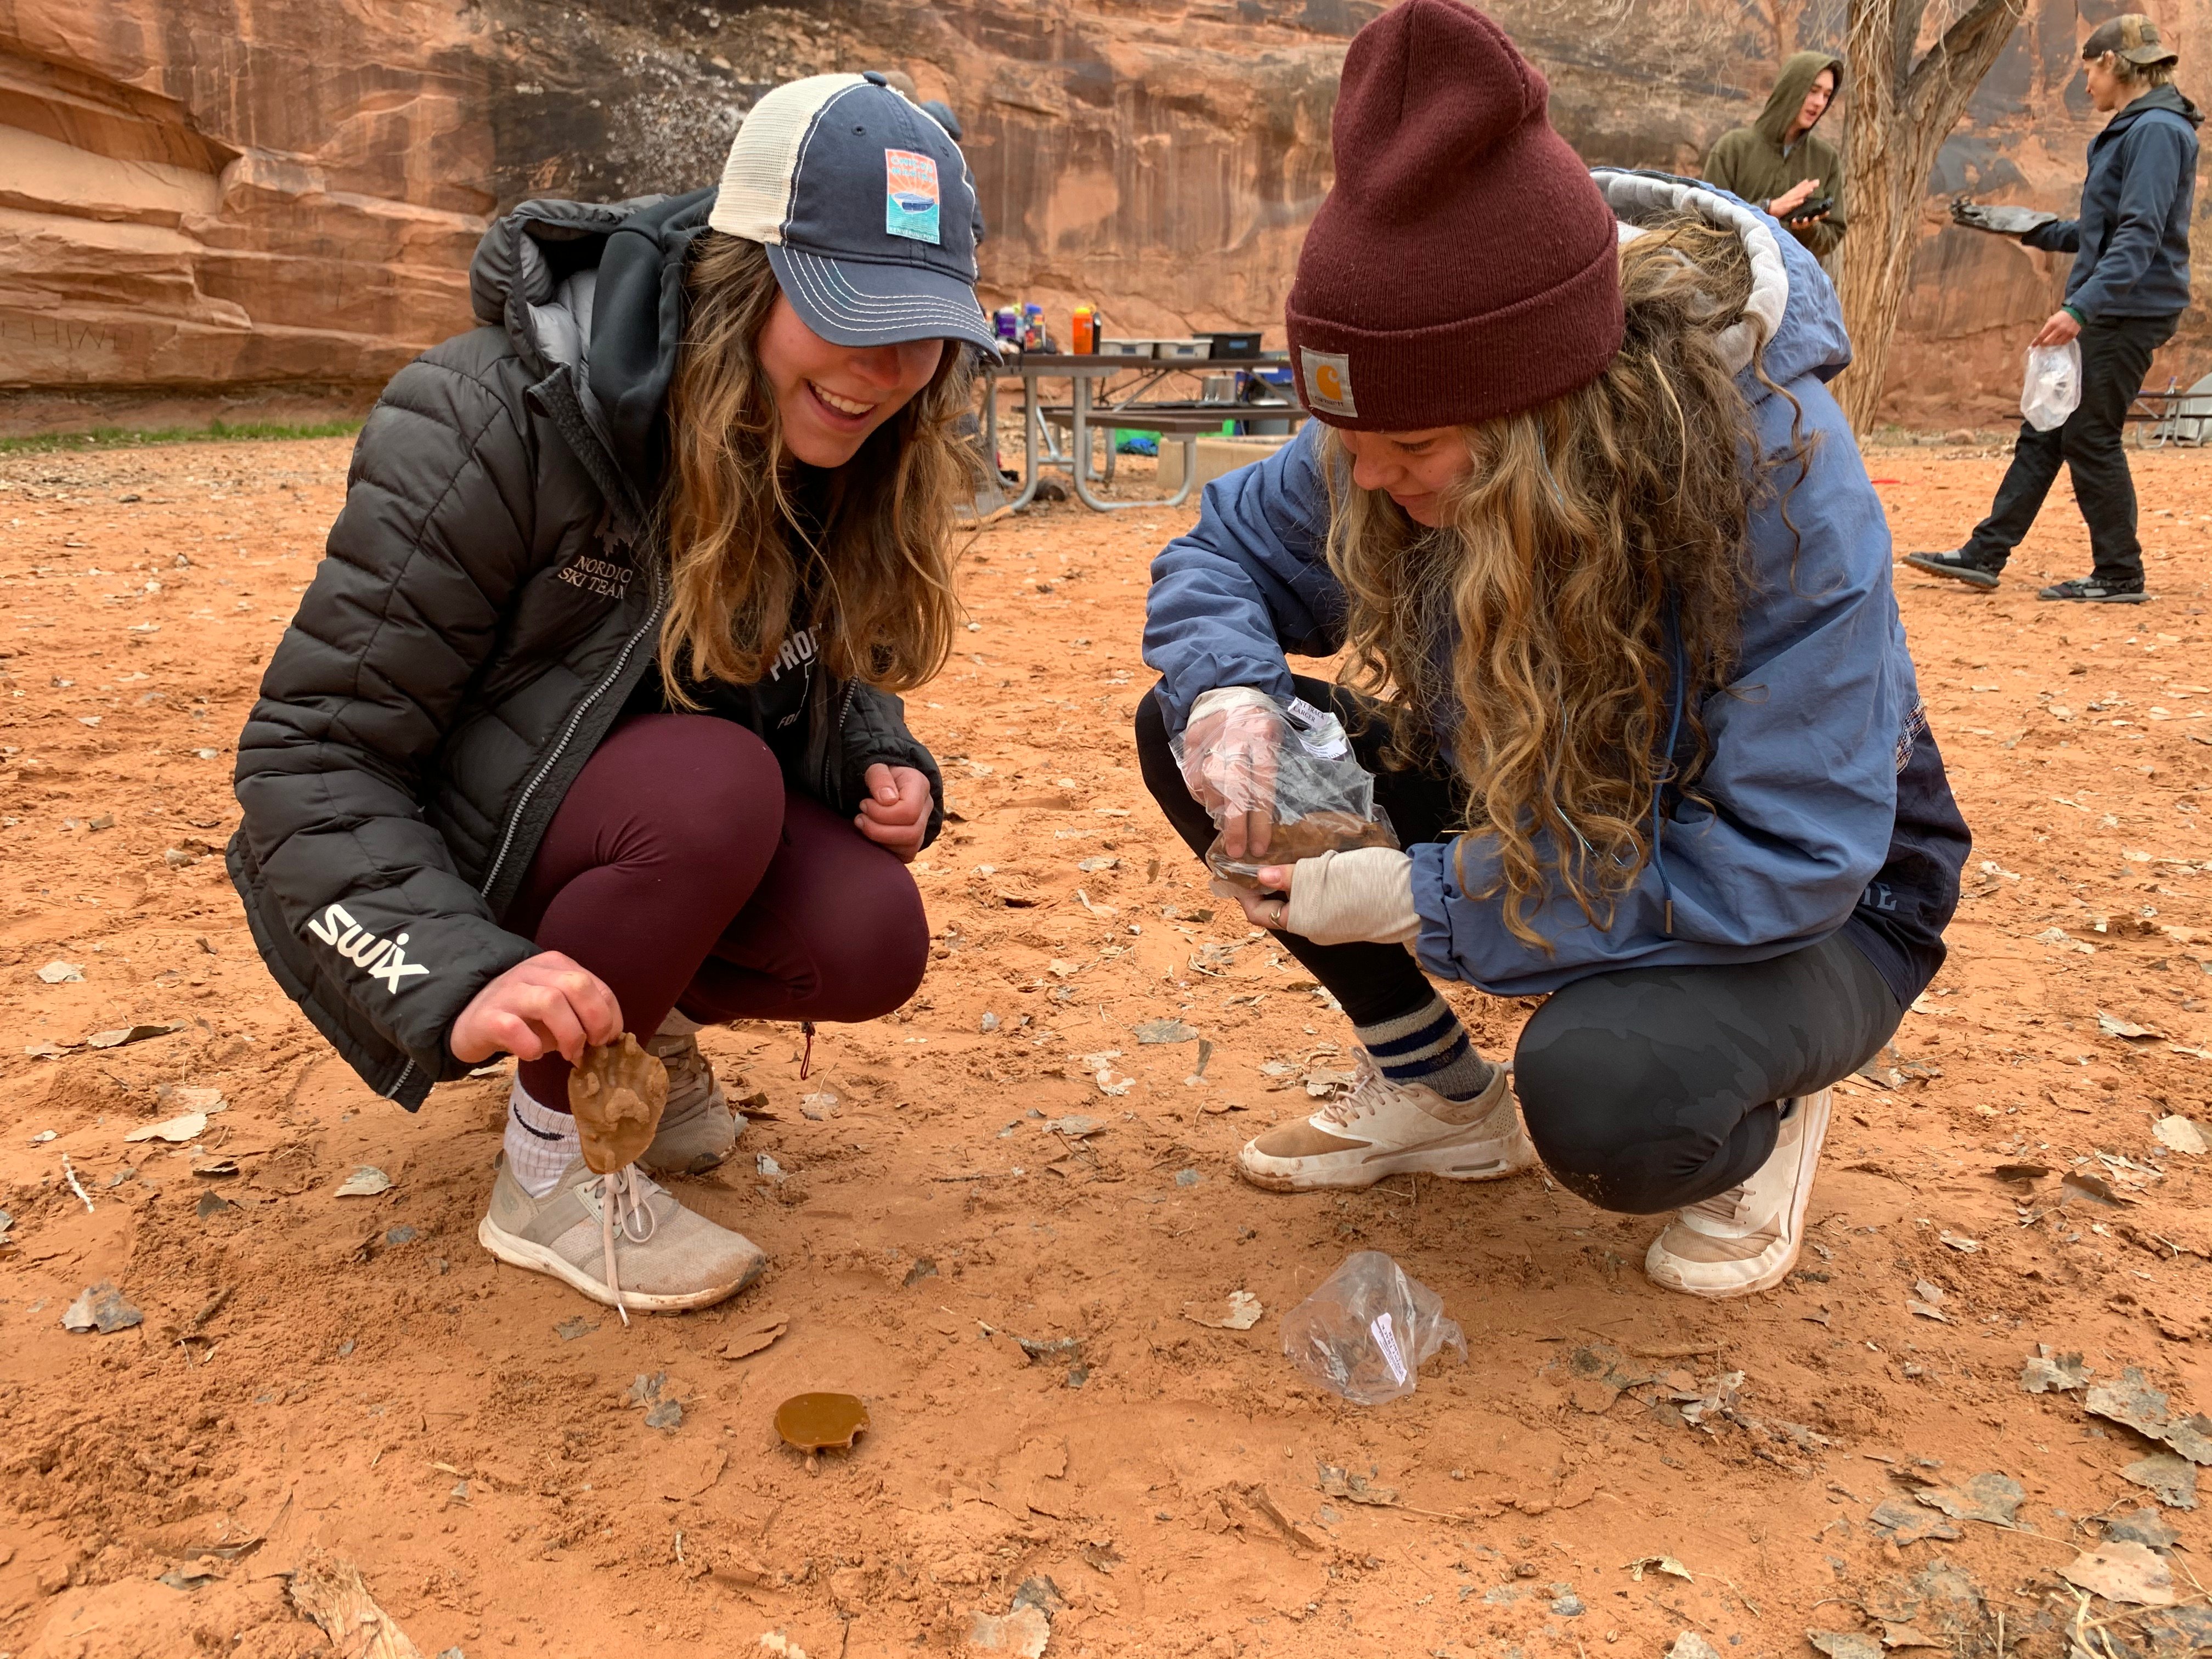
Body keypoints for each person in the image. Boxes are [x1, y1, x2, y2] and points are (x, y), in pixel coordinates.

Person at [1137, 0, 1971, 1300]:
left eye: (1410, 455)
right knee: (1209, 735)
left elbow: (1794, 851)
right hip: (1546, 805)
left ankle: (1776, 1083)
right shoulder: (1391, 425)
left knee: (1608, 1092)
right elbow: (1219, 556)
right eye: (1350, 445)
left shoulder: (1779, 475)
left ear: (1546, 412)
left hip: (1819, 903)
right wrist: (1230, 694)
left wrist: (1427, 895)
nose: (1369, 480)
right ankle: (1434, 1095)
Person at [229, 72, 1001, 1314]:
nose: (887, 369)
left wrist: (874, 747)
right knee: (711, 787)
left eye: (922, 328)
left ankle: (638, 1021)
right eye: (849, 312)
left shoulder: (824, 444)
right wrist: (456, 967)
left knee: (869, 935)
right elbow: (307, 758)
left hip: (630, 816)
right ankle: (550, 1177)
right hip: (449, 859)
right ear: (746, 279)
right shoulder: (491, 414)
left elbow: (786, 667)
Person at [1910, 15, 2198, 603]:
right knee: (2047, 428)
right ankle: (1985, 554)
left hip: (2126, 309)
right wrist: (2026, 226)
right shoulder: (2138, 128)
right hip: (2114, 302)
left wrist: (2081, 309)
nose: (2086, 82)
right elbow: (2103, 230)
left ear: (2114, 62)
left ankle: (2120, 574)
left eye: (2088, 68)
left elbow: (2140, 237)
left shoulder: (2157, 133)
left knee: (2090, 434)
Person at [1702, 50, 1847, 258]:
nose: (1819, 103)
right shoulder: (1732, 149)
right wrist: (1767, 210)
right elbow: (1707, 222)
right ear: (1791, 89)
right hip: (1733, 282)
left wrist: (1806, 229)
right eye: (1813, 91)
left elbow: (1833, 234)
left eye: (1826, 95)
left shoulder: (1826, 159)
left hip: (1796, 286)